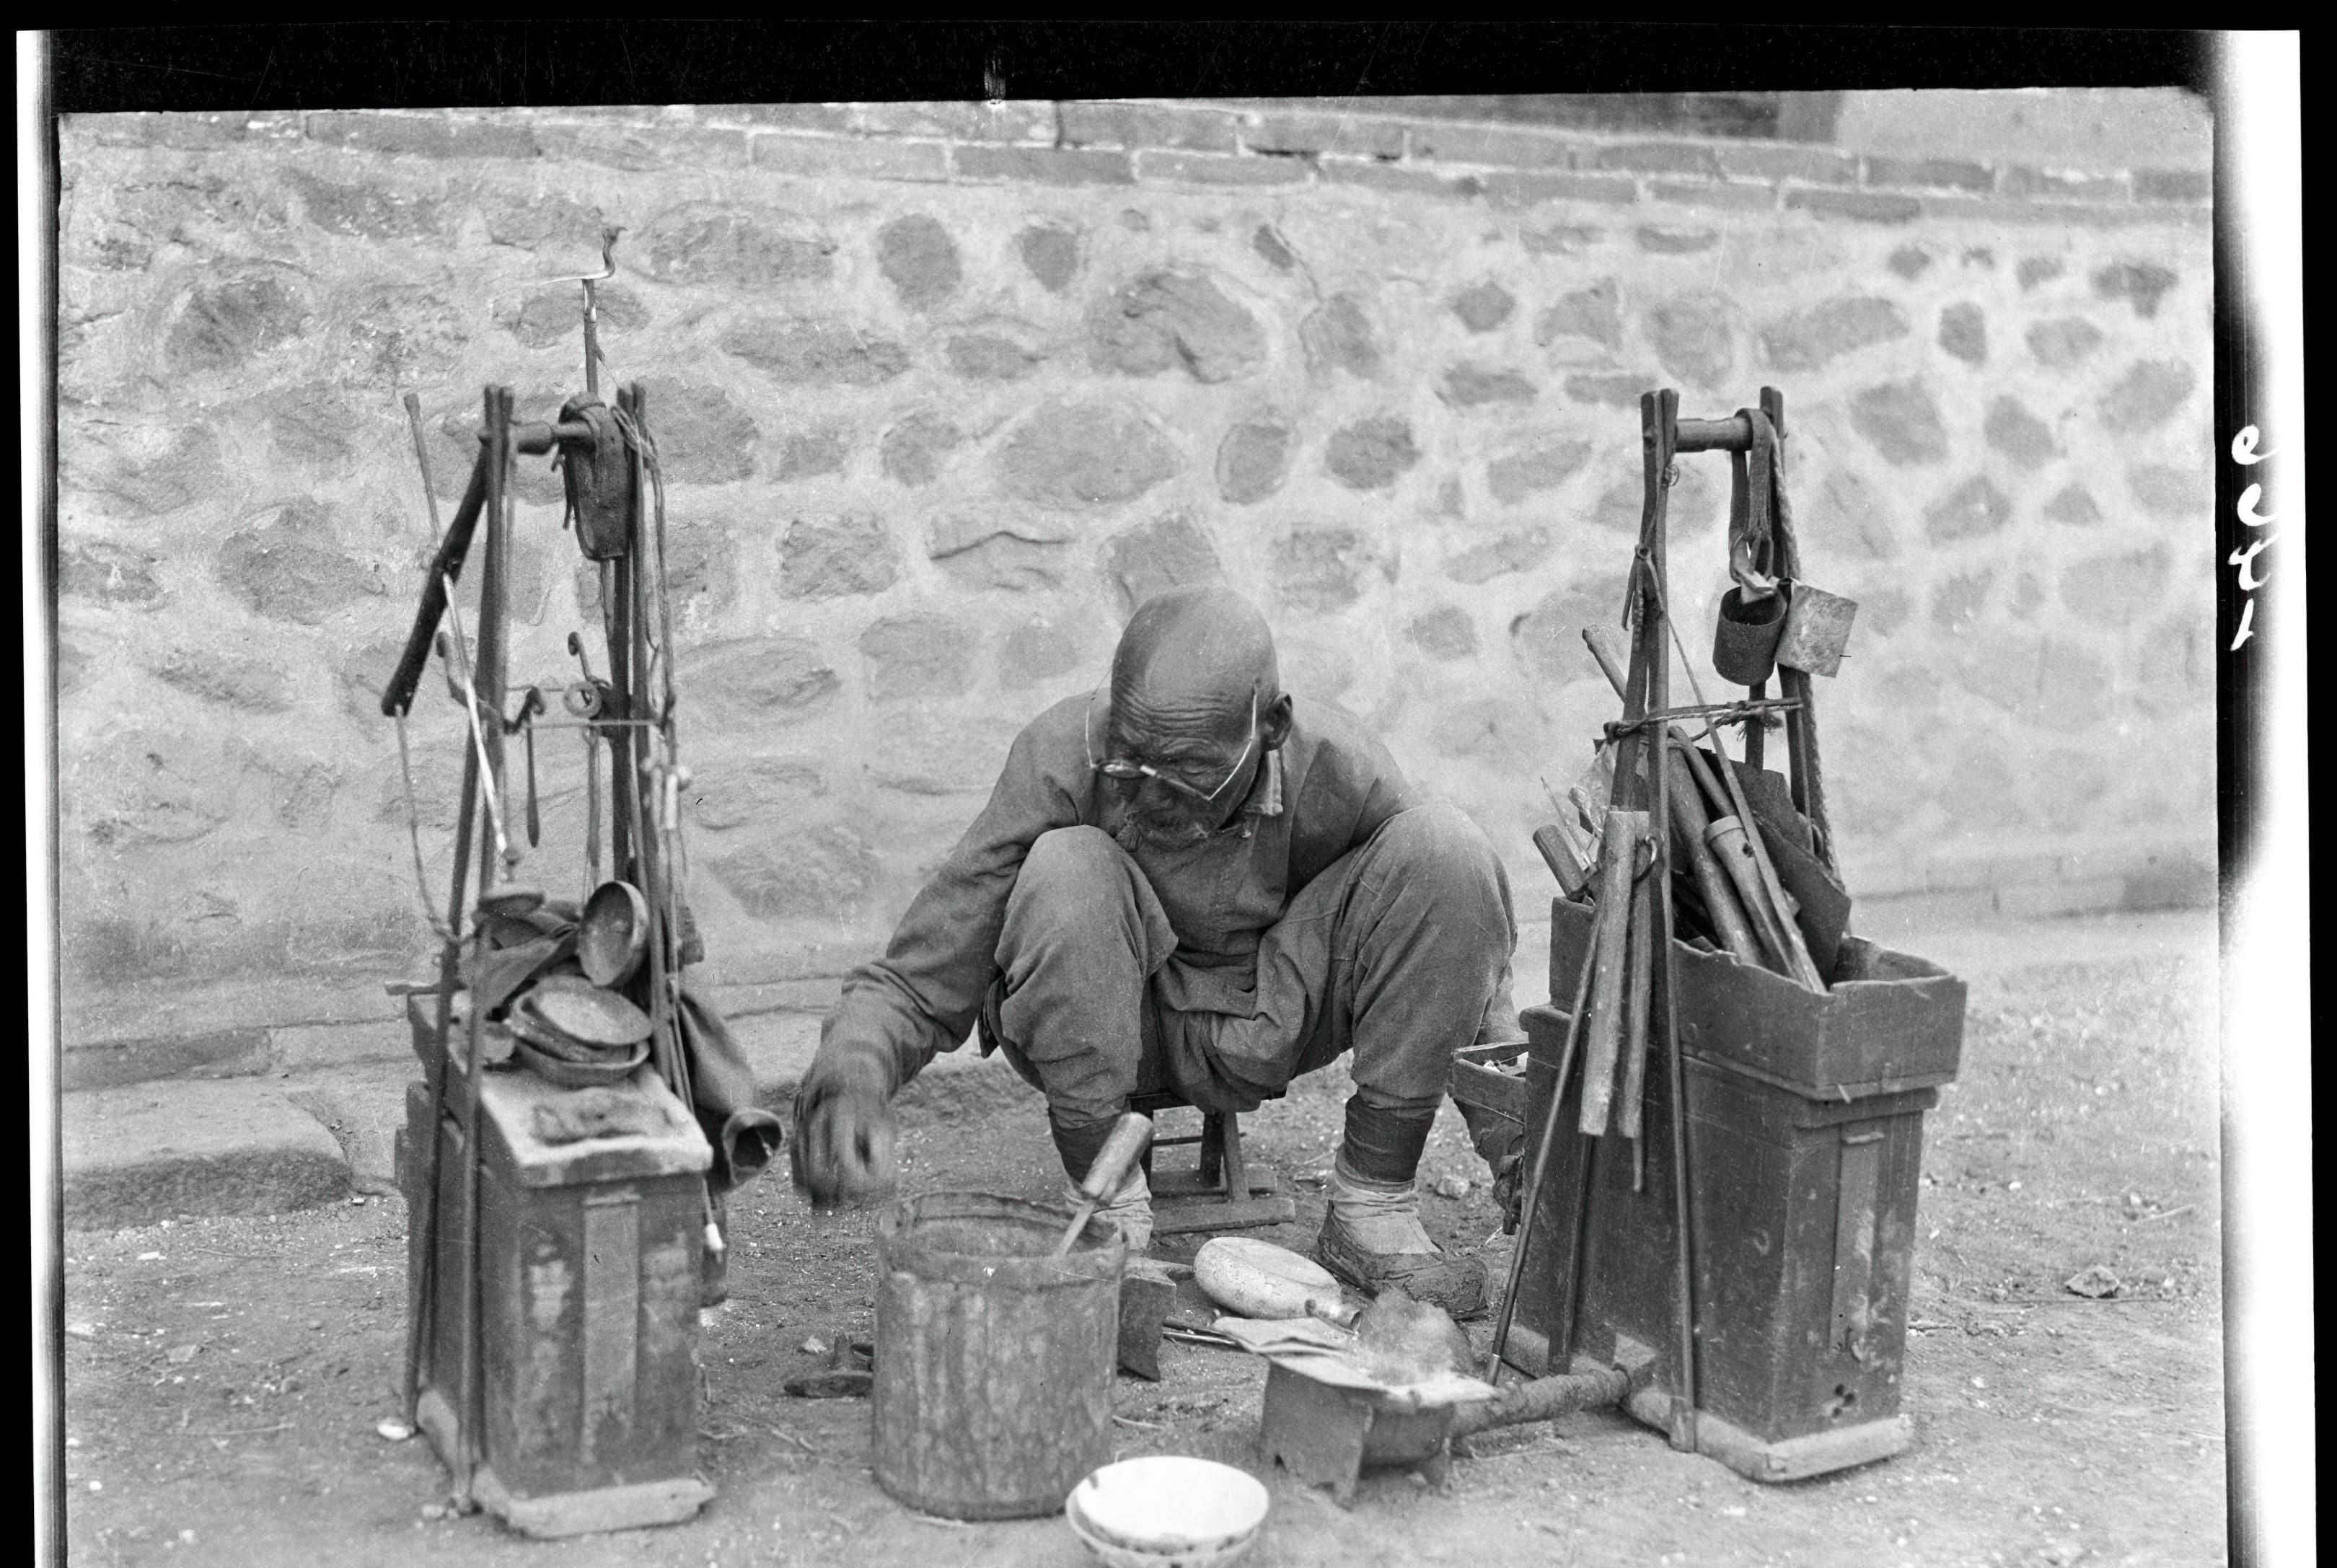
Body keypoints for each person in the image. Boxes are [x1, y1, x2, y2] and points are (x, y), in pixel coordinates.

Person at [788, 584, 1524, 1316]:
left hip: (1267, 1019)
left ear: (1270, 726)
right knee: (1067, 869)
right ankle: (1108, 1208)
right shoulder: (1060, 759)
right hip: (1116, 1029)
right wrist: (852, 1077)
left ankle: (1371, 1205)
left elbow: (1455, 949)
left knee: (1447, 850)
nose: (1147, 795)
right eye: (1128, 763)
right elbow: (923, 974)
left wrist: (1520, 1147)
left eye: (1186, 773)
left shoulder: (1340, 770)